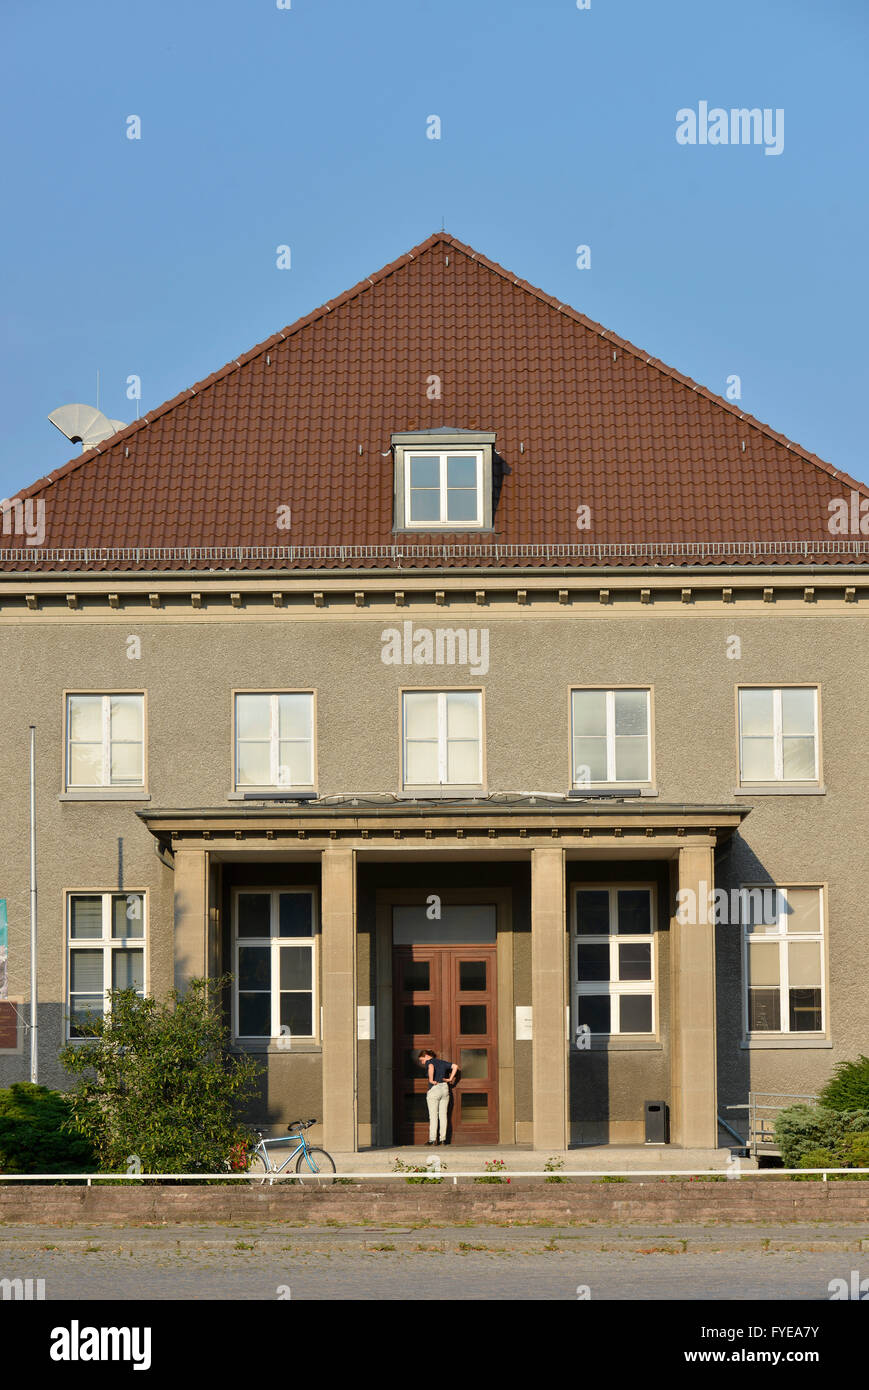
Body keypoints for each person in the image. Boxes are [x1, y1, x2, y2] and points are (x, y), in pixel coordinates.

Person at [418, 1048, 457, 1145]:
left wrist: (431, 1080)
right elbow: (455, 1066)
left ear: (426, 1056)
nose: (423, 1063)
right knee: (443, 1115)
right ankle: (442, 1140)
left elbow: (431, 1067)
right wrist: (450, 1079)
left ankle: (432, 1140)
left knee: (433, 1116)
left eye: (422, 1060)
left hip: (435, 1089)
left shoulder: (429, 1062)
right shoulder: (441, 1062)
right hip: (444, 1088)